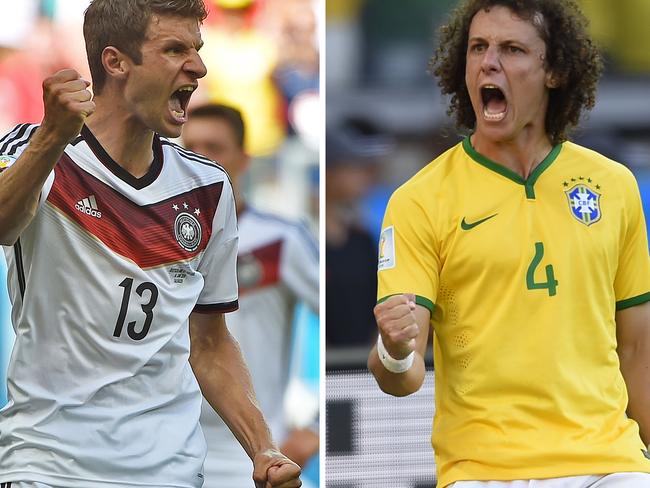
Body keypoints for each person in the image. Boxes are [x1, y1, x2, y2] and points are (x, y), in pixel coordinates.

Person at [0, 1, 301, 487]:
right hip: (51, 465)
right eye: (175, 49)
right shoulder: (34, 149)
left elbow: (210, 341)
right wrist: (51, 139)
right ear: (116, 62)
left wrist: (263, 447)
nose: (199, 67)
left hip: (171, 471)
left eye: (197, 50)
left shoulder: (207, 187)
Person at [368, 1, 650, 487]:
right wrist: (393, 350)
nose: (488, 63)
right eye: (478, 47)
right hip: (484, 472)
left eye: (512, 49)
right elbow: (402, 375)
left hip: (610, 463)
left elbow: (638, 347)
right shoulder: (418, 200)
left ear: (555, 71)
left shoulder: (614, 185)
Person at [182, 103, 319, 487]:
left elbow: (349, 322)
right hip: (167, 453)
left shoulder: (279, 239)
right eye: (189, 146)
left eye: (214, 147)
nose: (198, 158)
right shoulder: (154, 242)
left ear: (243, 160)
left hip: (251, 459)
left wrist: (317, 426)